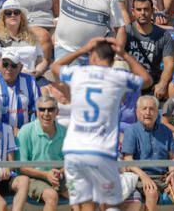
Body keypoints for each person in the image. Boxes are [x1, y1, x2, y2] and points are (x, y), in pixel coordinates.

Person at [50, 37, 152, 211]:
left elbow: (54, 68)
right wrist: (124, 53)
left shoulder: (79, 74)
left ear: (94, 57)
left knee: (85, 205)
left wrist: (82, 49)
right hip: (101, 150)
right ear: (112, 60)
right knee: (111, 203)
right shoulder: (118, 77)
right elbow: (147, 80)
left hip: (74, 150)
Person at [123, 95, 174, 211]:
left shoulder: (166, 131)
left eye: (152, 109)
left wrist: (172, 173)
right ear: (137, 112)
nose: (148, 112)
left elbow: (172, 157)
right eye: (144, 108)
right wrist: (144, 177)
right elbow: (128, 159)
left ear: (157, 112)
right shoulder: (131, 130)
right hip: (141, 176)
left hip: (165, 177)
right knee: (152, 193)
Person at [17, 96, 67, 211]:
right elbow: (22, 168)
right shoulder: (25, 131)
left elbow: (69, 161)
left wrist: (59, 172)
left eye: (50, 109)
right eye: (42, 109)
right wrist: (46, 175)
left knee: (82, 194)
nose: (46, 113)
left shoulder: (64, 132)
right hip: (33, 178)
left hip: (59, 177)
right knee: (51, 196)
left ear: (57, 112)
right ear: (36, 112)